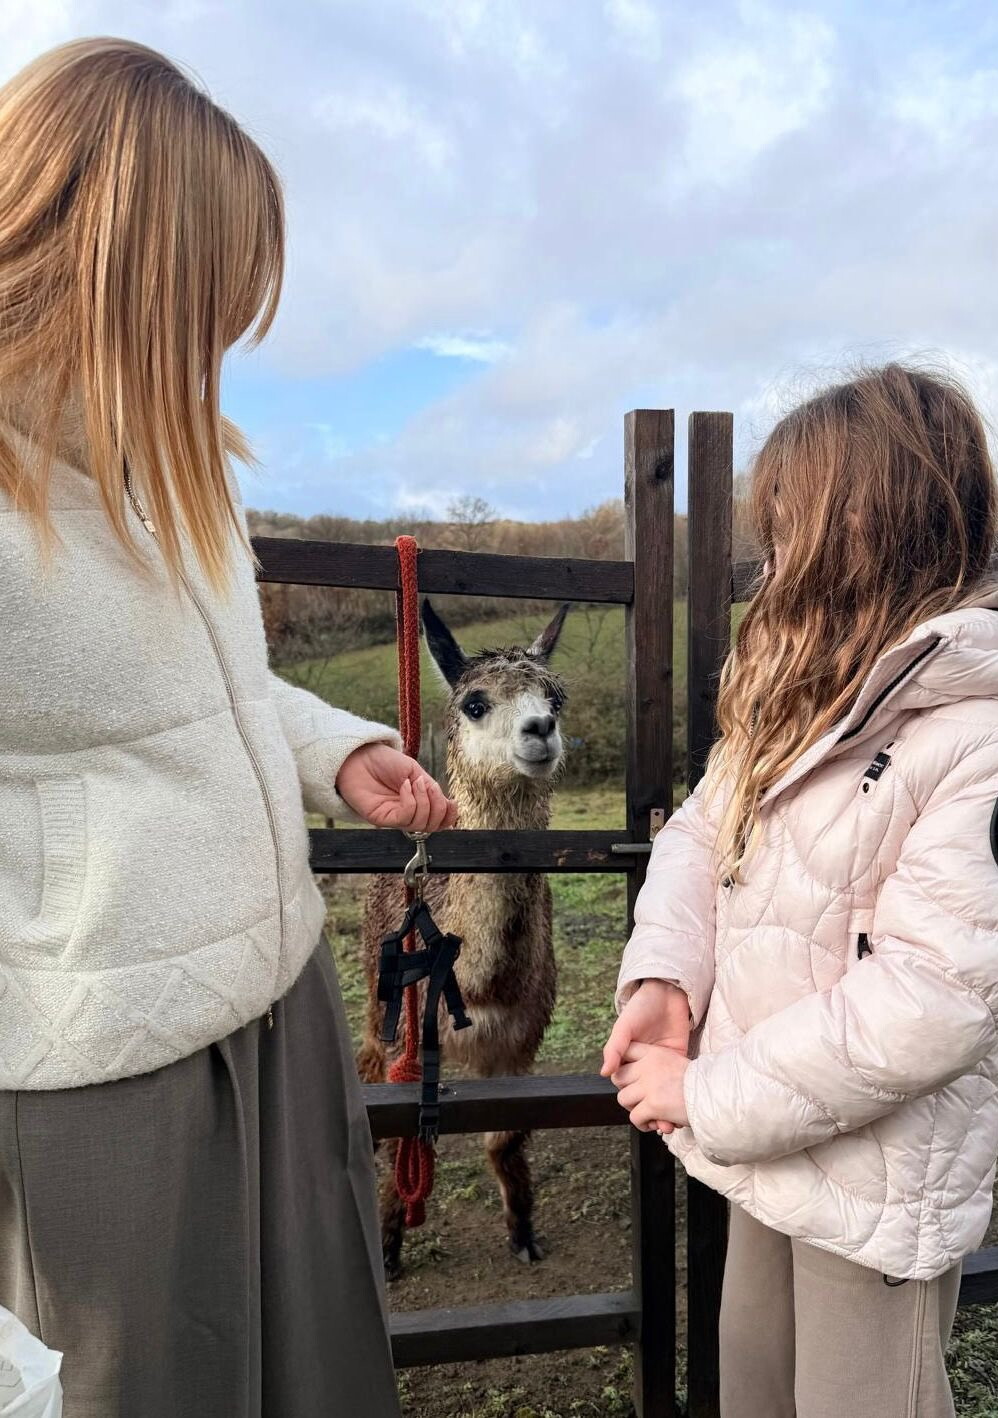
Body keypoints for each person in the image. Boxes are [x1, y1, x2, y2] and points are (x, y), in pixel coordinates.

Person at [0, 38, 455, 1417]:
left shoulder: (164, 465)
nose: (218, 337)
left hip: (273, 995)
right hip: (103, 1053)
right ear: (118, 257)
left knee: (311, 1373)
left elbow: (206, 687)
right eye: (208, 294)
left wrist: (329, 747)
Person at [603, 363, 998, 1418]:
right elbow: (702, 826)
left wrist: (705, 1096)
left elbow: (934, 997)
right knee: (754, 1386)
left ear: (871, 521)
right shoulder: (806, 688)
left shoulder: (981, 731)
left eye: (791, 524)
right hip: (770, 1146)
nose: (770, 556)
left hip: (874, 1184)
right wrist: (666, 975)